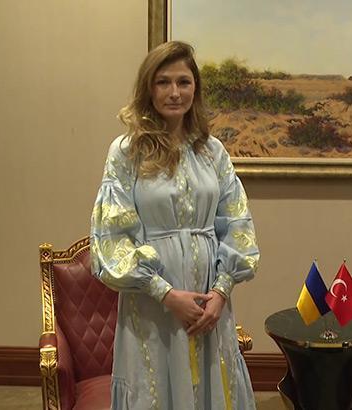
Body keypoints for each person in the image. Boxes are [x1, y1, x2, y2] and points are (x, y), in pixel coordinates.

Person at [90, 41, 259, 409]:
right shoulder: (126, 151)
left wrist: (221, 292)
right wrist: (165, 294)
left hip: (210, 304)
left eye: (183, 82)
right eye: (163, 82)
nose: (174, 92)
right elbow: (111, 238)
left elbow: (237, 222)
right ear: (148, 89)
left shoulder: (212, 151)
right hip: (153, 307)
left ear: (195, 88)